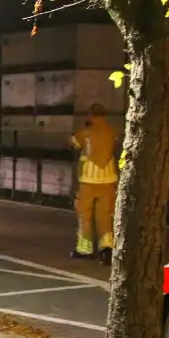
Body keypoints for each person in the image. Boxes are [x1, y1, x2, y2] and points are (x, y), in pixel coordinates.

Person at [70, 103, 119, 265]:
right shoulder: (112, 132)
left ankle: (85, 249)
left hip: (88, 180)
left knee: (85, 215)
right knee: (106, 215)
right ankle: (107, 249)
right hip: (109, 180)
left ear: (90, 115)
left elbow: (73, 144)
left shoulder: (84, 133)